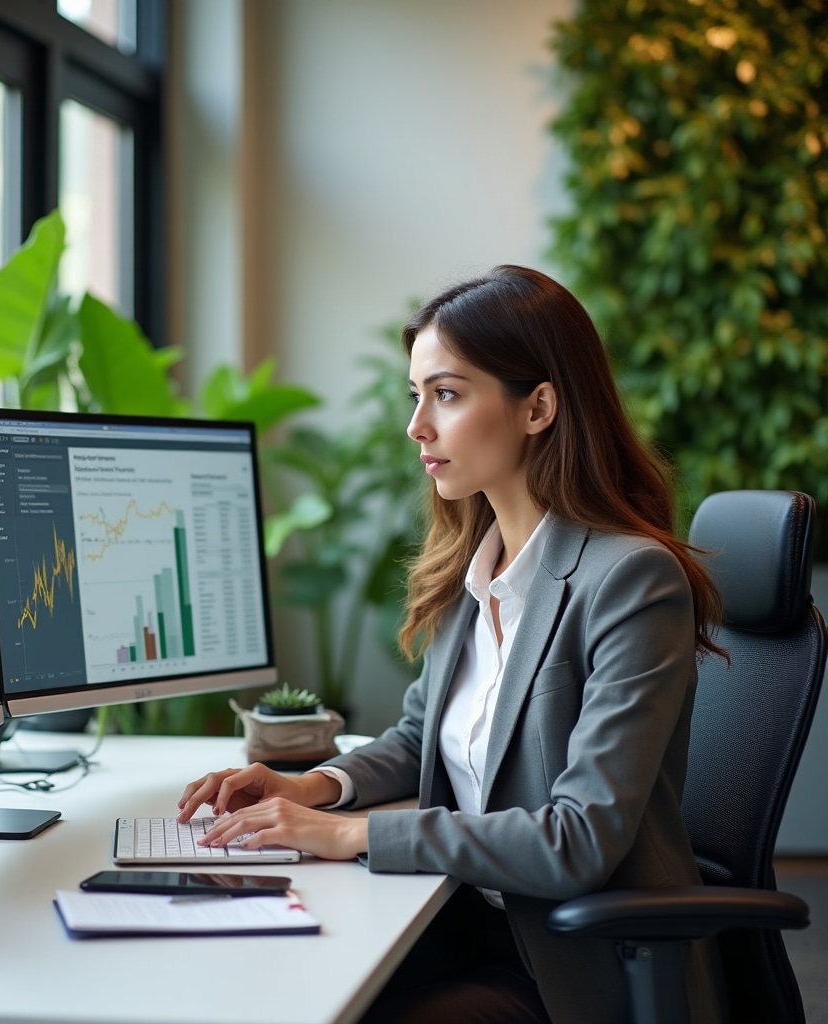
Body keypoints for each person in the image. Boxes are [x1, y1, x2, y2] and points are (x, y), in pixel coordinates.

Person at [177, 265, 726, 1024]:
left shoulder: (630, 581)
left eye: (447, 393)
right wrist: (313, 787)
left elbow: (580, 838)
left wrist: (353, 833)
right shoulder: (478, 565)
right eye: (417, 395)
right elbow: (417, 738)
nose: (417, 427)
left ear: (538, 407)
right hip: (456, 921)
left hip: (571, 968)